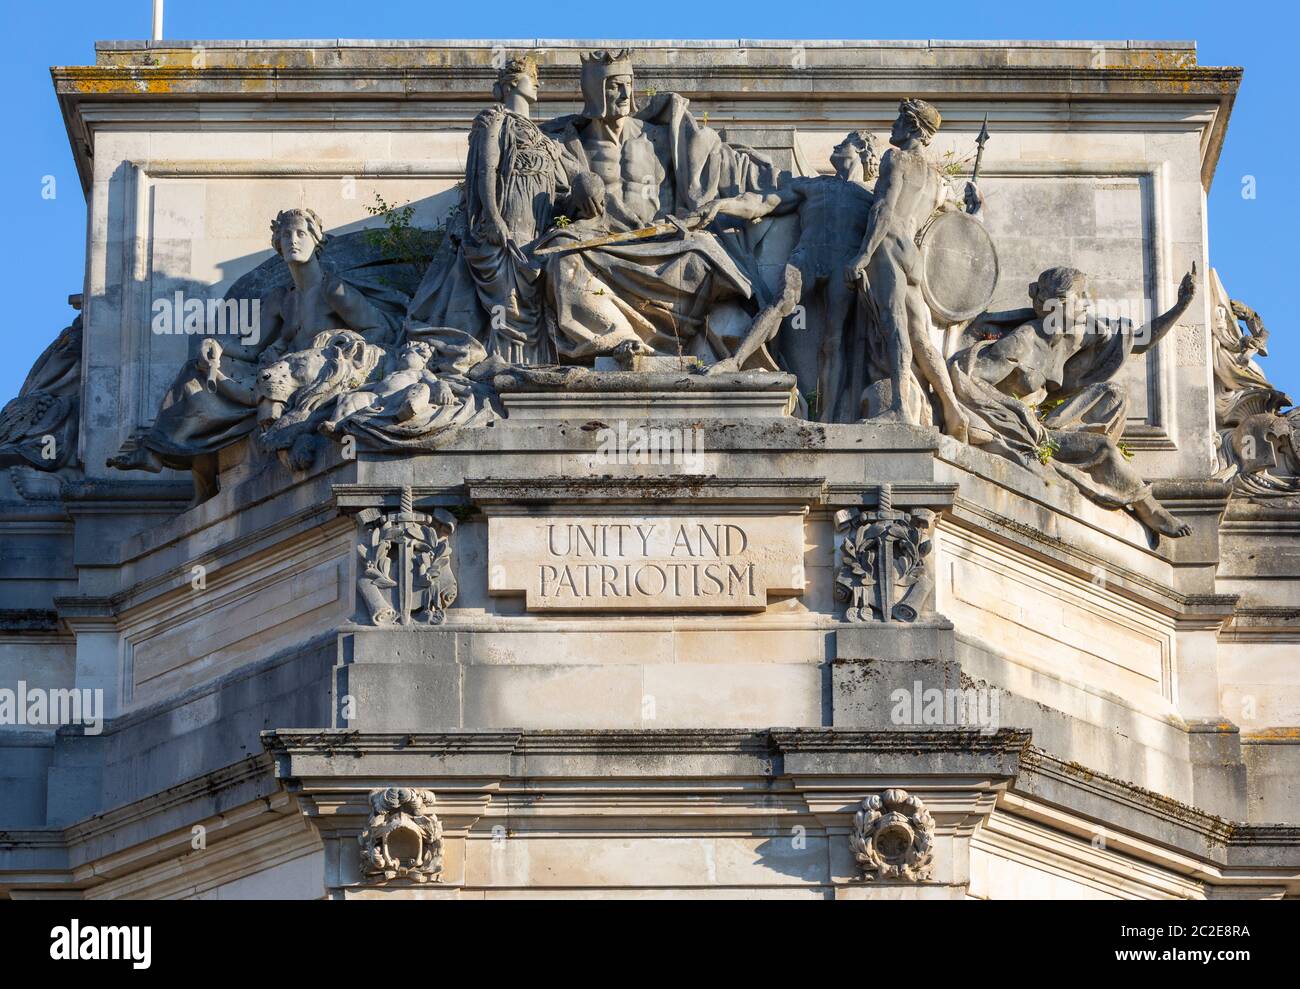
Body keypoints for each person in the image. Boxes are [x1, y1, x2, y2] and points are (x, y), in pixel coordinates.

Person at [949, 264, 1198, 538]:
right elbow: (968, 379)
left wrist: (1179, 307)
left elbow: (1138, 339)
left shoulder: (1078, 333)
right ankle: (1148, 506)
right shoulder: (1021, 341)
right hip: (1019, 427)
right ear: (1057, 305)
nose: (1086, 303)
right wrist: (1015, 411)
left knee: (1113, 393)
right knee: (1102, 447)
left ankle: (1087, 458)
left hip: (1044, 422)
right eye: (1079, 296)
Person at [846, 99, 977, 440]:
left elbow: (884, 208)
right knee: (920, 334)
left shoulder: (896, 158)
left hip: (887, 245)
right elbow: (949, 222)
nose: (892, 126)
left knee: (895, 326)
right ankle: (952, 407)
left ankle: (900, 409)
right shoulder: (937, 178)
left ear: (914, 127)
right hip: (912, 254)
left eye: (899, 120)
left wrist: (862, 254)